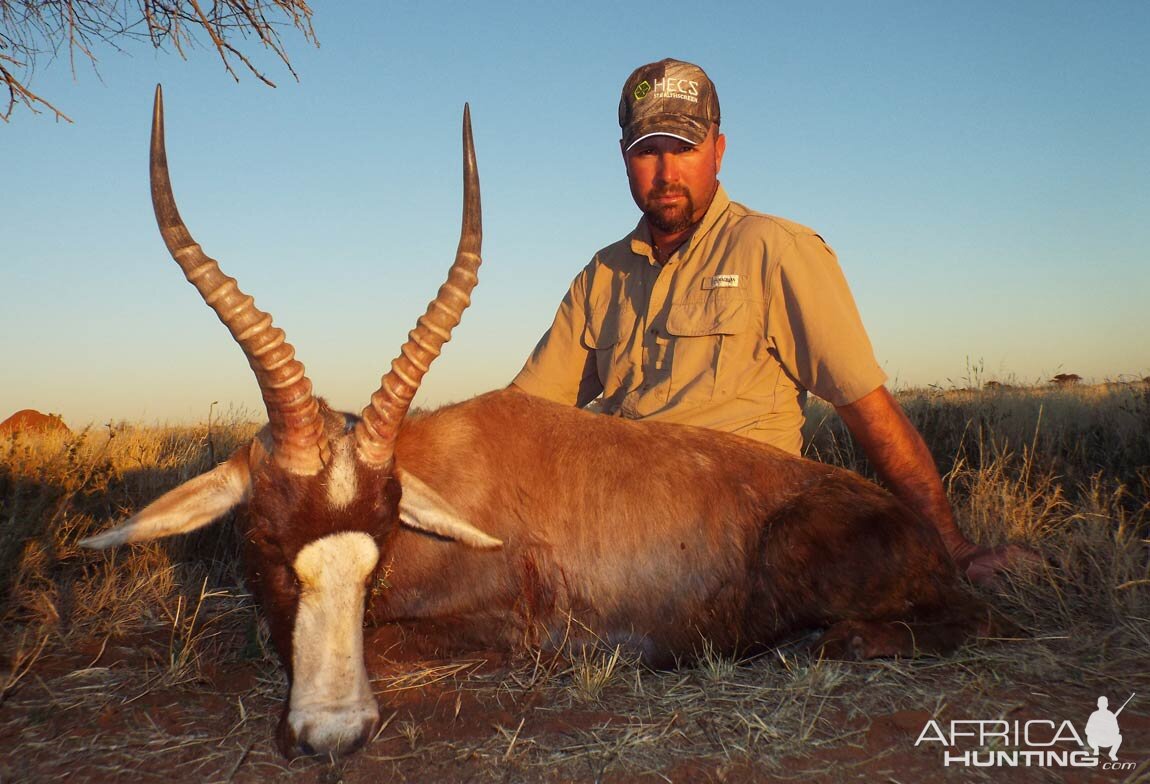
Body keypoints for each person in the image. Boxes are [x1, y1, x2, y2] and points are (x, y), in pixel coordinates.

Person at [510, 57, 1025, 584]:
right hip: (618, 534)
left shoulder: (776, 250)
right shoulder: (602, 274)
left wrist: (952, 547)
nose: (666, 174)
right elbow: (521, 415)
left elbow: (867, 408)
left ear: (718, 149)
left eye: (684, 148)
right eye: (648, 152)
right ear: (624, 156)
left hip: (740, 538)